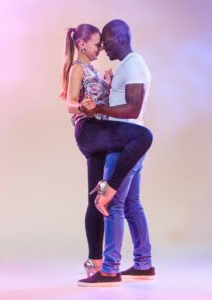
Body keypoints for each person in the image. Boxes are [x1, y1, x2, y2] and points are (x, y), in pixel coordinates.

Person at [60, 24, 153, 277]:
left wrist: (108, 83)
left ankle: (95, 262)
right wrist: (83, 106)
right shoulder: (78, 68)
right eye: (97, 44)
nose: (101, 48)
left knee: (95, 200)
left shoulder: (96, 70)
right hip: (89, 130)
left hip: (101, 131)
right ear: (81, 45)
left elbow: (105, 102)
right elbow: (69, 102)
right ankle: (108, 265)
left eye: (103, 43)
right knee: (142, 137)